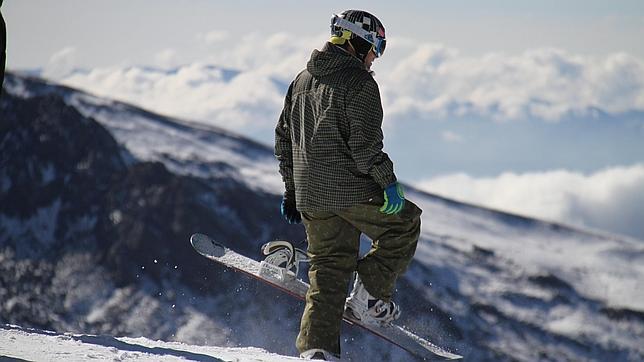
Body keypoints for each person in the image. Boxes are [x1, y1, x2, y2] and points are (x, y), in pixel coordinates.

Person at [274, 9, 422, 361]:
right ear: (356, 41)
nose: (375, 59)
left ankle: (316, 351)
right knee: (403, 225)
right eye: (376, 48)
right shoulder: (359, 83)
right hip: (347, 188)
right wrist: (388, 184)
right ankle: (370, 296)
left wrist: (293, 191)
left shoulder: (302, 80)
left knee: (329, 267)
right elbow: (365, 147)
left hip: (311, 194)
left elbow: (284, 139)